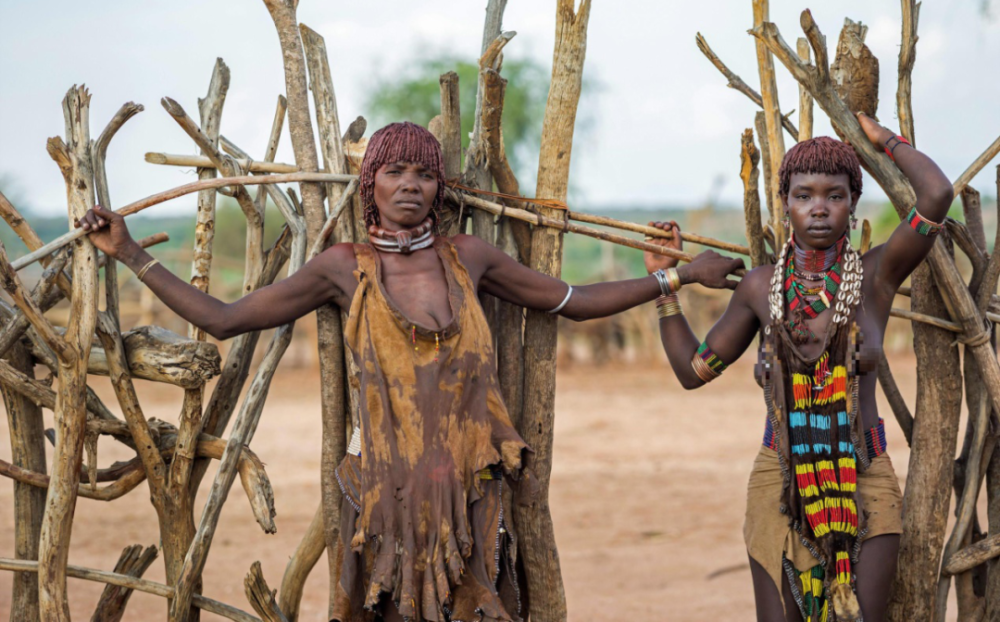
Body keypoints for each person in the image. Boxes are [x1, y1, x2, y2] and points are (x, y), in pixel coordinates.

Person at [78, 121, 743, 622]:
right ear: (371, 186)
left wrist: (675, 277)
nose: (409, 186)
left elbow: (573, 302)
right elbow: (224, 319)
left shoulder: (471, 258)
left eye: (423, 175)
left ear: (440, 189)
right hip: (382, 500)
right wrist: (129, 250)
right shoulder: (345, 267)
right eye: (393, 173)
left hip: (474, 500)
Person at [644, 113, 953, 622]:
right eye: (803, 195)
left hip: (864, 476)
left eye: (834, 195)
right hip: (779, 480)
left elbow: (936, 196)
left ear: (852, 205)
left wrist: (883, 142)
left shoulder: (876, 275)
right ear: (785, 205)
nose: (818, 209)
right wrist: (666, 285)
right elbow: (692, 370)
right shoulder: (759, 289)